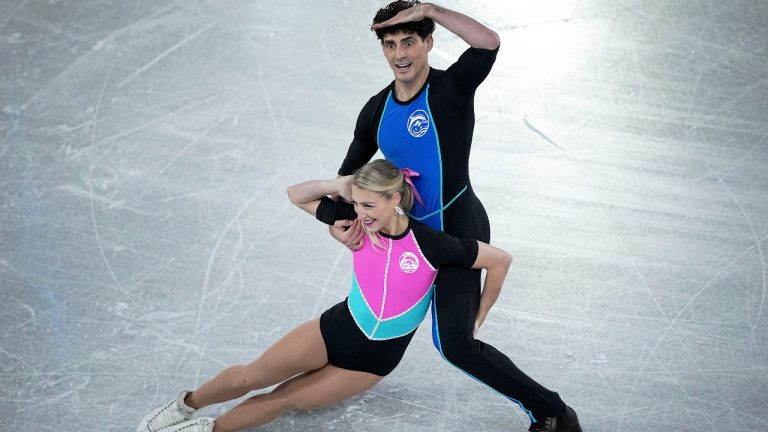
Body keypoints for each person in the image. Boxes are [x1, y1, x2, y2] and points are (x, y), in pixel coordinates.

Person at [331, 2, 581, 431]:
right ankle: (328, 370)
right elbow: (346, 179)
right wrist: (338, 222)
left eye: (409, 41)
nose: (400, 54)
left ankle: (553, 412)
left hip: (459, 229)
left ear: (429, 42)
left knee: (454, 344)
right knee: (373, 314)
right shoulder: (376, 110)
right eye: (390, 44)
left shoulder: (451, 89)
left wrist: (428, 7)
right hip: (410, 238)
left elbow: (488, 43)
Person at [136, 159, 513, 432]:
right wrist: (342, 185)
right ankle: (185, 405)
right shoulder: (353, 224)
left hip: (371, 362)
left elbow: (499, 261)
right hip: (334, 330)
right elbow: (296, 194)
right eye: (358, 203)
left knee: (282, 400)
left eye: (370, 205)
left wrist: (477, 316)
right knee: (253, 376)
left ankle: (207, 431)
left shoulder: (432, 244)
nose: (362, 214)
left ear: (395, 199)